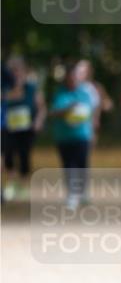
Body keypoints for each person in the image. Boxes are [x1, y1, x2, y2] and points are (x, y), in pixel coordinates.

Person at [49, 61, 96, 209]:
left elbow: (91, 112)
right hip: (64, 137)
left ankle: (83, 193)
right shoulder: (60, 93)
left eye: (75, 76)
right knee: (68, 165)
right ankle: (72, 194)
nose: (73, 79)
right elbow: (54, 112)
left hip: (82, 135)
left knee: (82, 164)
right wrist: (68, 110)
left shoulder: (85, 92)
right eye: (70, 77)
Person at [1, 56, 47, 200]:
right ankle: (12, 185)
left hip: (27, 130)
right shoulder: (5, 88)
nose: (15, 74)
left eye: (18, 71)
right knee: (7, 156)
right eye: (12, 71)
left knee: (24, 156)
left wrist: (38, 122)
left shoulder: (32, 88)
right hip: (8, 129)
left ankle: (22, 186)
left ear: (23, 71)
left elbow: (42, 108)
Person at [77, 59, 114, 141]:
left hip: (91, 127)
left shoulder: (97, 87)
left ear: (90, 72)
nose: (81, 74)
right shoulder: (73, 88)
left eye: (84, 71)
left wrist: (106, 106)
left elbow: (108, 104)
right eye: (79, 71)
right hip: (75, 126)